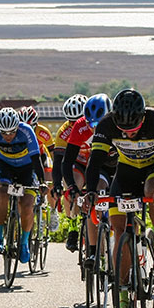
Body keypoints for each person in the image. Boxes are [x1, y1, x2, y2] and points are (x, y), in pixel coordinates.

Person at [82, 89, 154, 308]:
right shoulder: (106, 126)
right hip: (127, 172)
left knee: (152, 191)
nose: (129, 134)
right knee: (118, 230)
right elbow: (94, 163)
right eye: (124, 131)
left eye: (133, 130)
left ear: (143, 117)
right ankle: (122, 298)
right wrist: (91, 191)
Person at [54, 93, 115, 266]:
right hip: (84, 163)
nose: (93, 128)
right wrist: (71, 187)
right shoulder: (80, 127)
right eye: (90, 123)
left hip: (109, 164)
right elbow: (65, 162)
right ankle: (91, 248)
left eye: (97, 124)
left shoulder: (117, 125)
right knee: (90, 195)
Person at [0, 107, 45, 264]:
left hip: (27, 168)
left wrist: (42, 181)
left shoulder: (27, 131)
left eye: (12, 132)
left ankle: (24, 243)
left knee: (26, 205)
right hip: (5, 166)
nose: (8, 136)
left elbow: (37, 159)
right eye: (4, 133)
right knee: (2, 193)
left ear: (18, 126)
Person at [19, 104, 60, 232]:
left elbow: (52, 153)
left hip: (42, 157)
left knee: (49, 182)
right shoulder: (17, 132)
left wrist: (56, 172)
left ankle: (53, 211)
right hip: (25, 159)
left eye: (31, 126)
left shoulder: (43, 132)